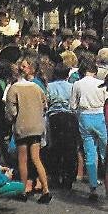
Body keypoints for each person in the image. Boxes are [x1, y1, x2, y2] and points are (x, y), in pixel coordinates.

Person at [5, 58, 51, 202]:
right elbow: (45, 105)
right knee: (36, 159)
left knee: (23, 160)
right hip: (37, 126)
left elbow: (11, 112)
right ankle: (46, 189)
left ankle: (23, 189)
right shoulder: (36, 87)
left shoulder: (14, 89)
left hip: (22, 126)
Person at [70, 56, 108, 201]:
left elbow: (73, 106)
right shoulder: (101, 84)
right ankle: (107, 183)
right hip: (100, 116)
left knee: (90, 153)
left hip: (84, 118)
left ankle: (93, 188)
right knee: (106, 152)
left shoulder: (78, 84)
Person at [44, 61, 79, 189]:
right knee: (70, 148)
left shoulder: (49, 86)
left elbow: (46, 102)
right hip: (69, 116)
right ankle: (68, 177)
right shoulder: (72, 86)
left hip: (54, 117)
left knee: (55, 147)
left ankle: (55, 175)